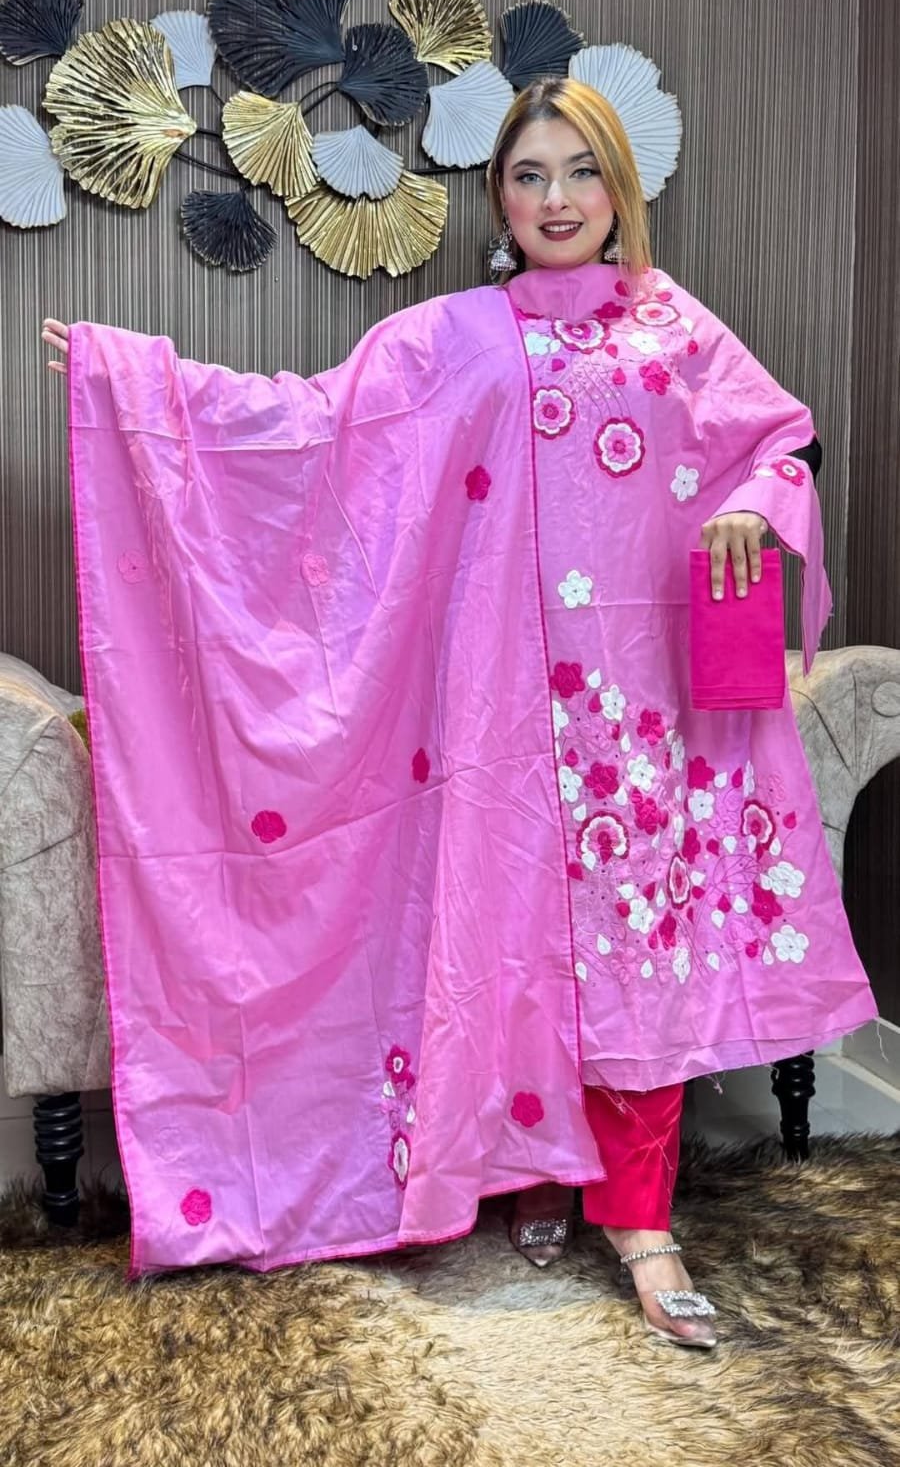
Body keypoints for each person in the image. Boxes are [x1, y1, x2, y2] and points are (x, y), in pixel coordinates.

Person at [42, 78, 876, 1351]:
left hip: (639, 720)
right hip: (498, 723)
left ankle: (641, 1219)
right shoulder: (456, 338)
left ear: (620, 190)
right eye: (531, 176)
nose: (558, 199)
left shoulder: (674, 328)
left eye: (581, 172)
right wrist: (137, 382)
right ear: (500, 198)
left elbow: (784, 438)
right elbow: (310, 424)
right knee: (510, 947)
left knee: (634, 964)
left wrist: (758, 502)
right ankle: (532, 1170)